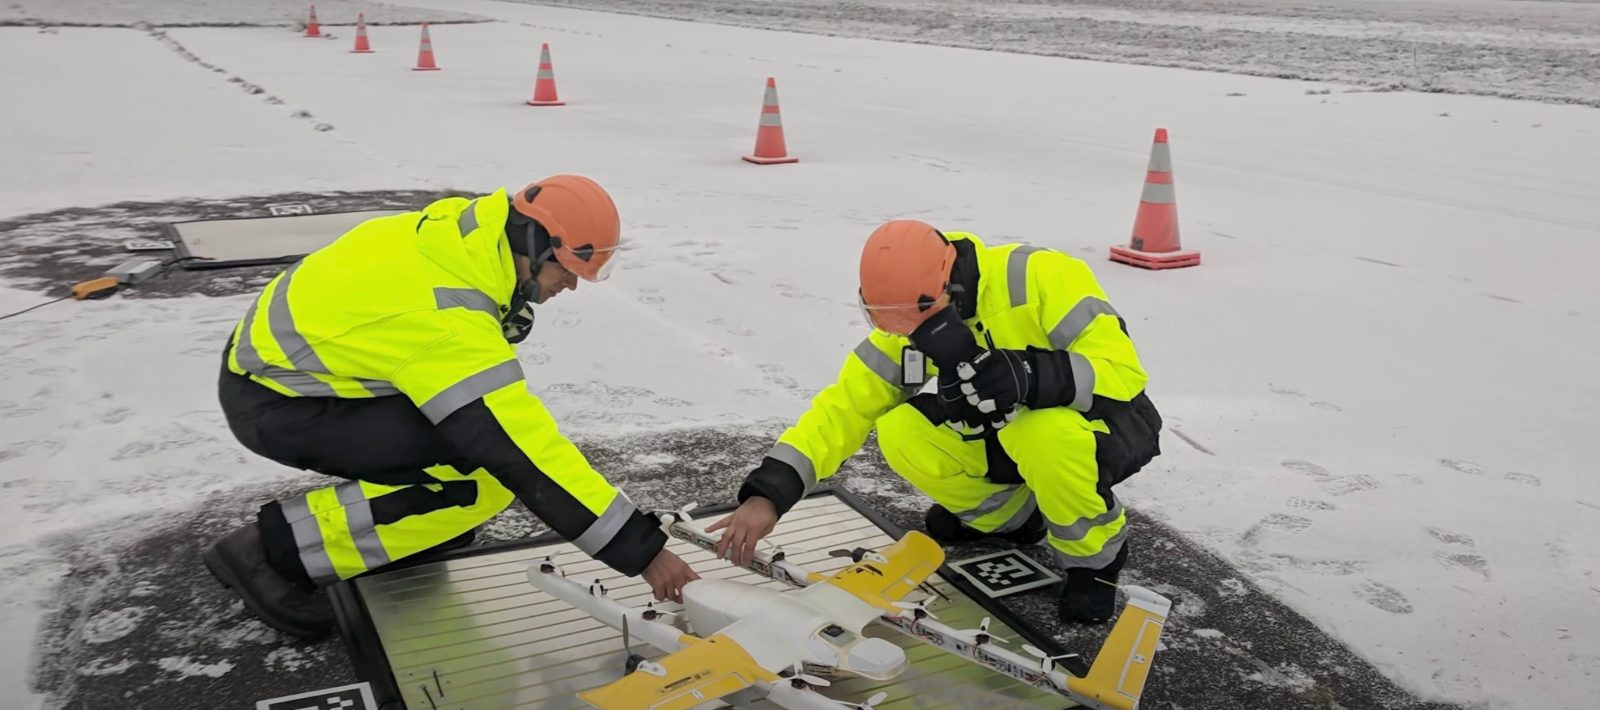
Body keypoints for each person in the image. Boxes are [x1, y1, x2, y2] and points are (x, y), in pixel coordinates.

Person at [202, 176, 699, 638]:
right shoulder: (446, 322)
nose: (570, 286)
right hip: (281, 401)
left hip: (293, 365)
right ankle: (272, 552)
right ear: (533, 246)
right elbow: (524, 449)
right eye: (567, 270)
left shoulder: (463, 233)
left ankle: (410, 526)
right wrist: (644, 552)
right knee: (481, 478)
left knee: (465, 452)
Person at [709, 220, 1161, 623]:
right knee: (900, 430)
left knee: (1040, 431)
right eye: (888, 321)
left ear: (951, 289)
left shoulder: (1039, 276)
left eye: (909, 320)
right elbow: (845, 407)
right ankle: (1014, 520)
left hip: (1105, 426)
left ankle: (1094, 564)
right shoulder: (908, 323)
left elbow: (1123, 373)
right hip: (1005, 432)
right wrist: (771, 492)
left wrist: (1030, 373)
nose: (903, 333)